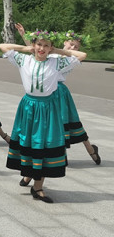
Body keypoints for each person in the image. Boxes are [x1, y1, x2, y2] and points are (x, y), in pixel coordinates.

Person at [0, 30, 86, 203]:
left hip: (47, 108)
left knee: (44, 144)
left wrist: (58, 51)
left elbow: (82, 54)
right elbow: (4, 46)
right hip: (28, 107)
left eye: (46, 45)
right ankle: (29, 175)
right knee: (28, 142)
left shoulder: (56, 63)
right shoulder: (24, 59)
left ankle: (38, 187)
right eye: (39, 44)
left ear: (51, 48)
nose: (42, 48)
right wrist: (27, 48)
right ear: (34, 45)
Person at [16, 24, 100, 165]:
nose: (73, 48)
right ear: (64, 42)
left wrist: (65, 51)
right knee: (52, 126)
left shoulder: (66, 58)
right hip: (47, 95)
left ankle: (91, 149)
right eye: (71, 45)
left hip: (59, 93)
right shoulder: (51, 54)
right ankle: (59, 155)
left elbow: (79, 57)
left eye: (76, 47)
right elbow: (34, 50)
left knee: (70, 124)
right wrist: (24, 35)